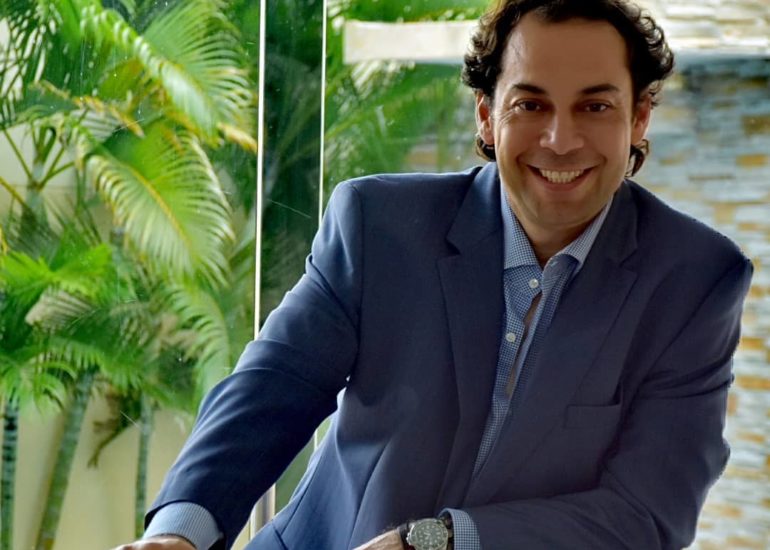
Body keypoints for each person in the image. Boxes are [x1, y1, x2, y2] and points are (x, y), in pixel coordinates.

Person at [116, 0, 753, 549]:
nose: (560, 139)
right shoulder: (377, 223)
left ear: (638, 118)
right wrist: (179, 532)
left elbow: (646, 513)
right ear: (486, 114)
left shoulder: (697, 280)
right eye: (530, 103)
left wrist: (440, 540)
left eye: (595, 106)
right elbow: (274, 385)